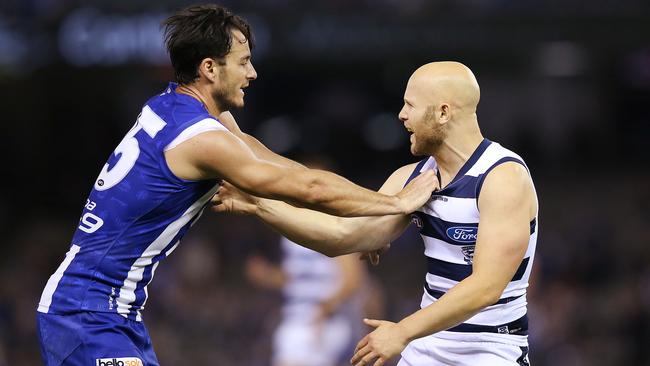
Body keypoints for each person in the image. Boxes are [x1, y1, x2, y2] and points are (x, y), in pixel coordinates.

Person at [35, 5, 437, 365]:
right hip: (86, 313)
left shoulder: (176, 105)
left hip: (109, 313)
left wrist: (365, 225)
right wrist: (396, 203)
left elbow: (272, 164)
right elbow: (307, 187)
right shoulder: (200, 140)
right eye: (243, 62)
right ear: (210, 68)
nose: (252, 73)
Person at [214, 61, 538, 366]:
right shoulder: (412, 179)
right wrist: (260, 205)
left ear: (443, 112)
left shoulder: (502, 177)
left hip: (491, 348)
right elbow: (340, 237)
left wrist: (402, 331)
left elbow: (486, 286)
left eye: (410, 105)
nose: (401, 115)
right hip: (428, 346)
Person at [245, 237, 366, 366]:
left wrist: (325, 310)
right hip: (295, 320)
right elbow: (297, 277)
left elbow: (353, 279)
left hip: (325, 325)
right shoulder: (289, 235)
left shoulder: (332, 227)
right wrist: (267, 275)